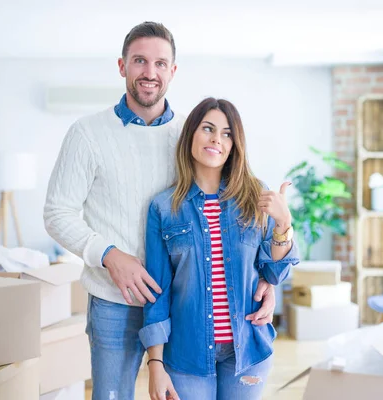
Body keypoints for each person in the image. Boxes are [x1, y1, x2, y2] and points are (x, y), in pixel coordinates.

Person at [43, 22, 277, 400]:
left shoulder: (194, 135)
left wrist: (266, 282)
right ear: (122, 66)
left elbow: (244, 210)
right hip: (114, 301)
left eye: (160, 63)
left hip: (186, 307)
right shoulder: (88, 133)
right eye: (139, 61)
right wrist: (108, 255)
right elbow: (57, 213)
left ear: (173, 71)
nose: (149, 72)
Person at [139, 97, 299, 400]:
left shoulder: (255, 194)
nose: (217, 139)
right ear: (191, 136)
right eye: (208, 129)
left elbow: (274, 273)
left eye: (227, 133)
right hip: (186, 355)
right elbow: (157, 291)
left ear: (235, 143)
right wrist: (155, 364)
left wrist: (283, 223)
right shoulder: (163, 207)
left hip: (248, 351)